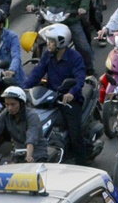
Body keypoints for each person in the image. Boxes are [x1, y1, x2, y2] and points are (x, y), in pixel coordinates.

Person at [23, 23, 90, 158]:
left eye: (52, 41)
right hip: (50, 96)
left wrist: (71, 93)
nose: (49, 44)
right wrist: (23, 88)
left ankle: (82, 161)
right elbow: (37, 72)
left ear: (61, 42)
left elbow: (80, 78)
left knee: (74, 134)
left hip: (69, 99)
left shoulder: (75, 57)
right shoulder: (48, 55)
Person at [0, 86, 31, 156]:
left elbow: (31, 138)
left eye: (13, 104)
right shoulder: (6, 113)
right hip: (18, 153)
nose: (9, 108)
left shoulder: (31, 115)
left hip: (36, 153)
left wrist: (29, 155)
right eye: (7, 104)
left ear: (21, 103)